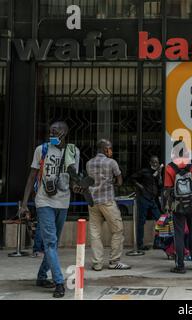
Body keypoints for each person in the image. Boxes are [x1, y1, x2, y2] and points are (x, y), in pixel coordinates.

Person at [18, 121, 80, 298]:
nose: (52, 132)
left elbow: (73, 179)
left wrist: (78, 187)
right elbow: (31, 177)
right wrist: (24, 204)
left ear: (65, 132)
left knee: (53, 243)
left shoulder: (73, 151)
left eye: (56, 130)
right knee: (51, 243)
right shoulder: (42, 150)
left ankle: (41, 276)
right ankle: (59, 282)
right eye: (51, 131)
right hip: (44, 201)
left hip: (63, 202)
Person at [86, 139, 131, 271]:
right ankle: (114, 261)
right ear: (105, 149)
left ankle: (97, 263)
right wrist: (111, 182)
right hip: (107, 201)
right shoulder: (112, 162)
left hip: (93, 202)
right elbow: (120, 181)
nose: (111, 151)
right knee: (118, 230)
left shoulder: (89, 163)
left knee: (95, 233)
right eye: (110, 148)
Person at [164, 140, 192, 274]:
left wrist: (168, 207)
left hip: (178, 207)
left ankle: (180, 265)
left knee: (179, 236)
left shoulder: (169, 167)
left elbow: (168, 190)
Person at [130, 155, 163, 250]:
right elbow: (132, 178)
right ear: (150, 162)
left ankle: (157, 243)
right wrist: (140, 186)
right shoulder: (145, 171)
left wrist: (159, 174)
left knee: (160, 220)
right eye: (153, 162)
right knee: (141, 221)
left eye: (157, 162)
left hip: (153, 200)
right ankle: (140, 245)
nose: (155, 164)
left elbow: (160, 185)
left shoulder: (158, 173)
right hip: (144, 199)